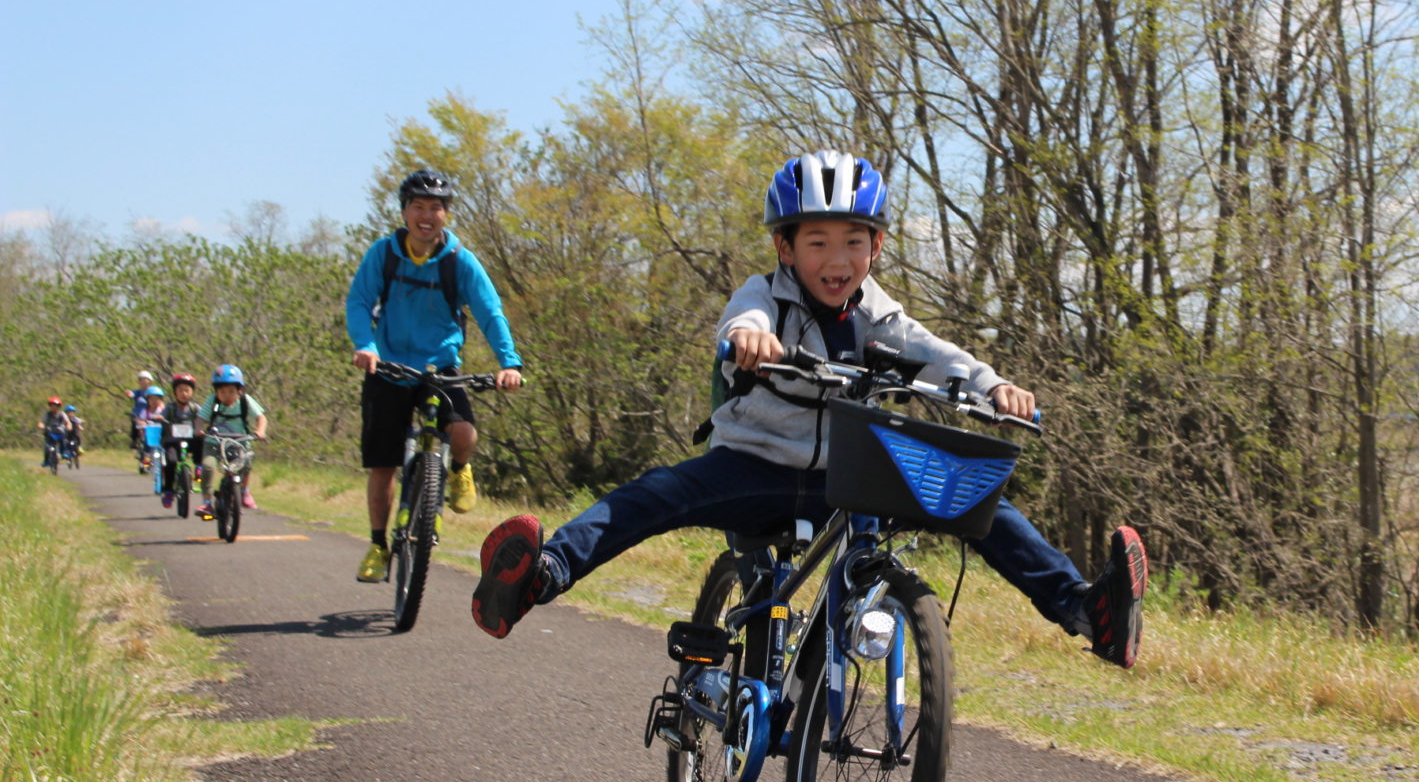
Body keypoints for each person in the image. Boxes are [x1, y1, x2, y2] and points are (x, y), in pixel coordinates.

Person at [473, 149, 1146, 667]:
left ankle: (1088, 611)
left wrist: (992, 386)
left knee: (980, 499)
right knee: (655, 495)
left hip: (850, 479)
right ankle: (541, 574)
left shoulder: (881, 316)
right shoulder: (763, 294)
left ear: (876, 247)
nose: (837, 258)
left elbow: (938, 355)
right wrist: (748, 339)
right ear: (785, 248)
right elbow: (743, 319)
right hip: (753, 466)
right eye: (816, 241)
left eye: (854, 241)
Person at [345, 169, 524, 582]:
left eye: (436, 208)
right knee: (383, 466)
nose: (427, 216)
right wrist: (365, 345)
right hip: (387, 367)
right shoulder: (384, 254)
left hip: (438, 368)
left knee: (463, 434)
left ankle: (459, 469)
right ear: (405, 211)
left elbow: (489, 311)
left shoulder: (459, 260)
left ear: (446, 214)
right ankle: (377, 544)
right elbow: (359, 301)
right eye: (418, 207)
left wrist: (509, 363)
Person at [194, 365, 268, 521]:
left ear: (239, 390)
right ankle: (207, 502)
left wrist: (260, 431)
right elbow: (201, 418)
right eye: (222, 392)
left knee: (245, 464)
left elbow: (261, 417)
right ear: (216, 391)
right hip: (214, 442)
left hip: (239, 442)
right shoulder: (212, 401)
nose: (227, 396)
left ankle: (244, 491)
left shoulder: (245, 401)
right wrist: (199, 429)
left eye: (231, 392)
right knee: (208, 466)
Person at [157, 374, 204, 508]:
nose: (183, 394)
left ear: (192, 392)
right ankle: (168, 491)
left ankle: (199, 466)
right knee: (171, 462)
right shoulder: (170, 408)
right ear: (175, 393)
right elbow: (162, 415)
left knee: (200, 440)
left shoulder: (195, 408)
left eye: (187, 390)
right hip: (173, 441)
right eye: (180, 390)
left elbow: (203, 417)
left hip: (190, 441)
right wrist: (159, 417)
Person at [36, 397, 68, 469]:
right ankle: (46, 460)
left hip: (60, 432)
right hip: (49, 433)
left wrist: (68, 425)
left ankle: (64, 453)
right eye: (52, 406)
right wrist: (41, 426)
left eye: (56, 406)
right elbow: (41, 422)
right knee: (47, 447)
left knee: (64, 441)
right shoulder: (47, 415)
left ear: (59, 407)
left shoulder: (62, 414)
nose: (54, 407)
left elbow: (67, 421)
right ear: (50, 406)